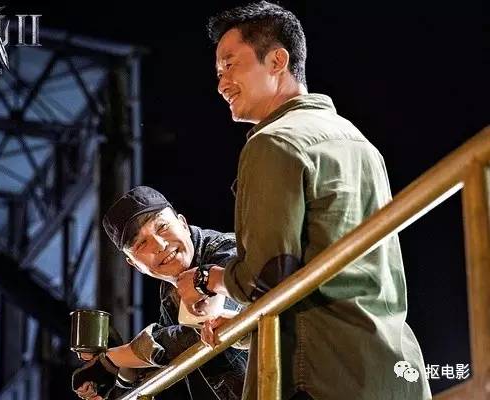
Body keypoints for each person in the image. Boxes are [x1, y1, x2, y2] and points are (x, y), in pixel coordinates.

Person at [176, 2, 432, 399]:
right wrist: (245, 329)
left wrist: (212, 279)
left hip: (318, 374)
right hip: (392, 367)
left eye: (230, 65)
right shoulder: (358, 141)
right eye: (218, 72)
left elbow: (266, 276)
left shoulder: (274, 141)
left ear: (278, 60)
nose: (222, 83)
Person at [73, 186, 247, 400]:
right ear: (134, 264)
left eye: (162, 227)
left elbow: (198, 331)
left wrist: (115, 358)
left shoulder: (229, 251)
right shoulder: (169, 293)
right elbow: (162, 360)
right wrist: (113, 374)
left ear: (183, 223)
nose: (160, 245)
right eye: (141, 244)